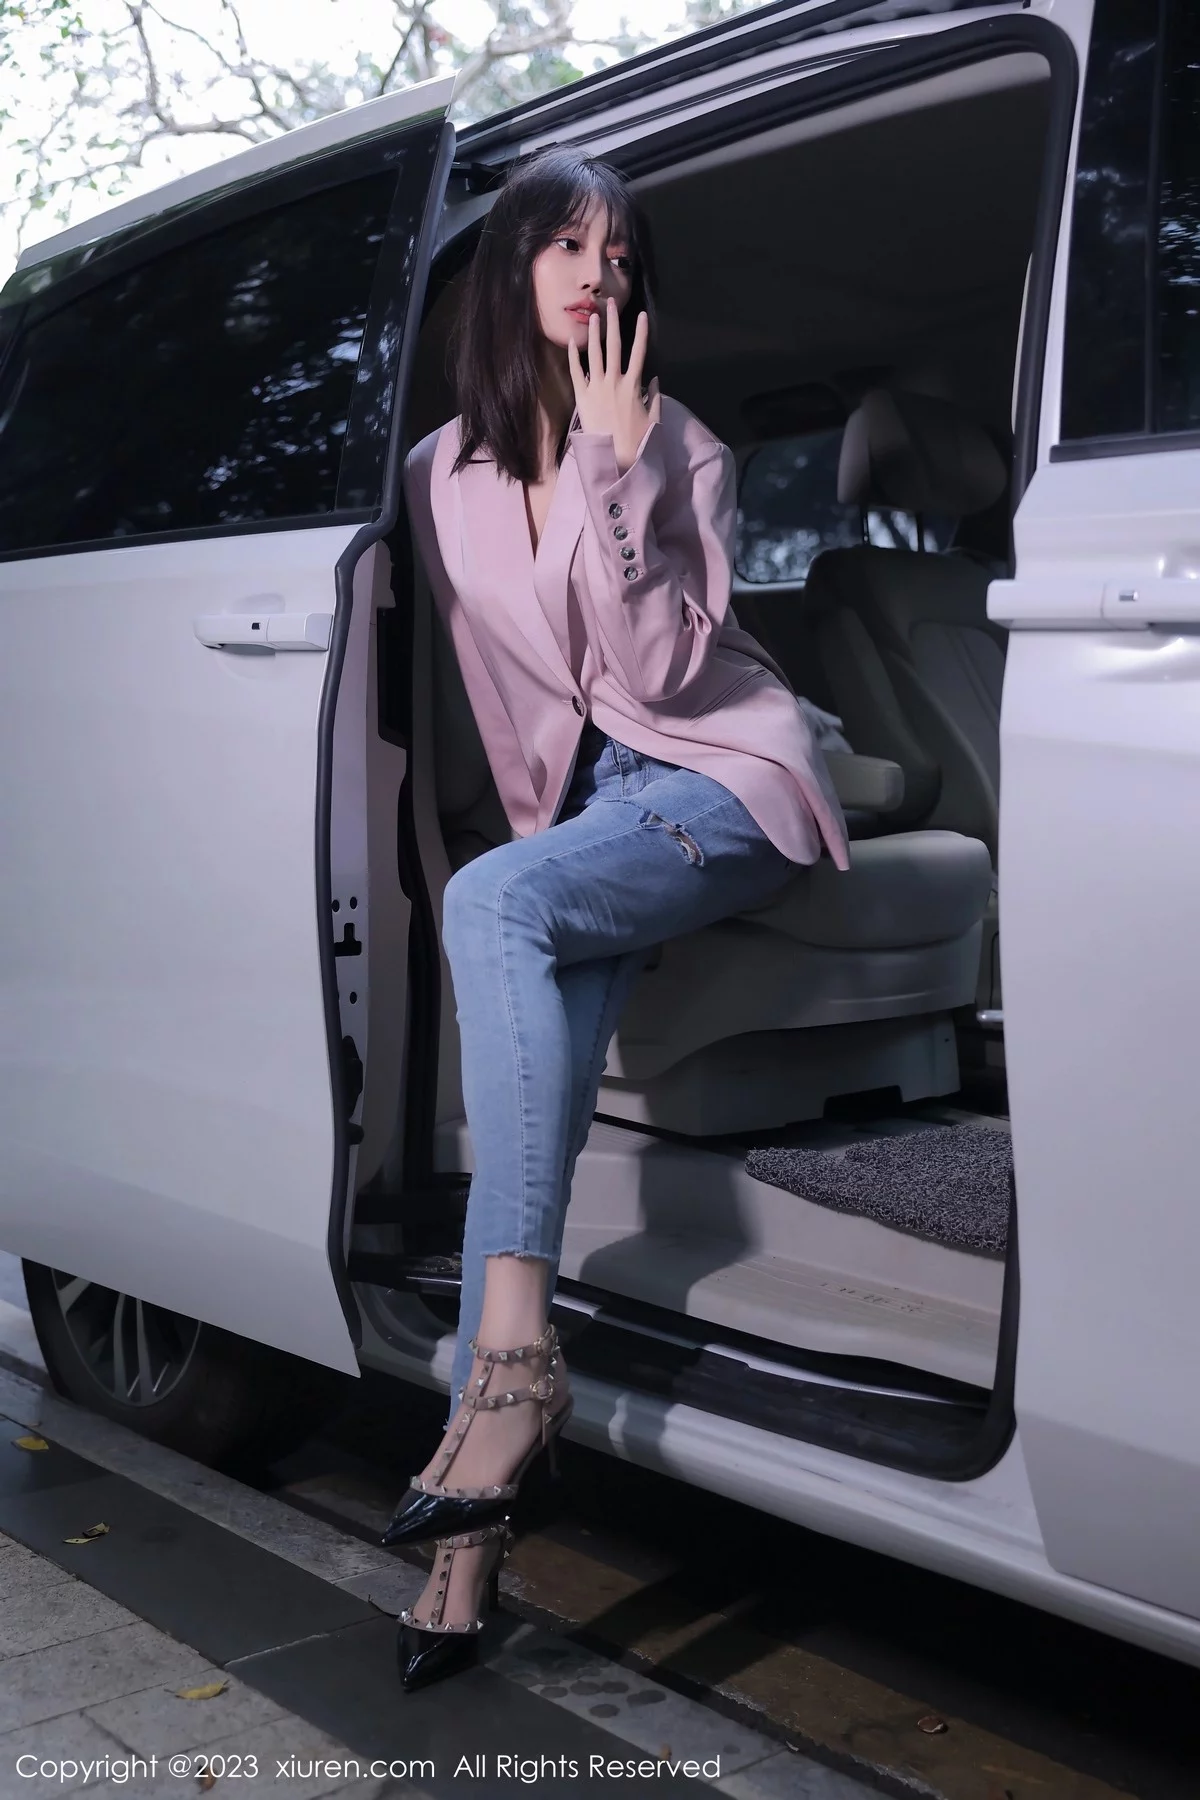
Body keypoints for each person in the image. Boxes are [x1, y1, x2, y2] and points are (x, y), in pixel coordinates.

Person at [383, 145, 850, 1691]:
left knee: (497, 908)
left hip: (721, 776)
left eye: (621, 253)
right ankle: (469, 1534)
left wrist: (615, 463)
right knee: (534, 1108)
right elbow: (493, 698)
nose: (598, 273)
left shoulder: (681, 443)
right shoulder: (438, 475)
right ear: (512, 268)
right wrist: (501, 849)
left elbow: (661, 679)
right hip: (584, 819)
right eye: (567, 246)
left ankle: (513, 1382)